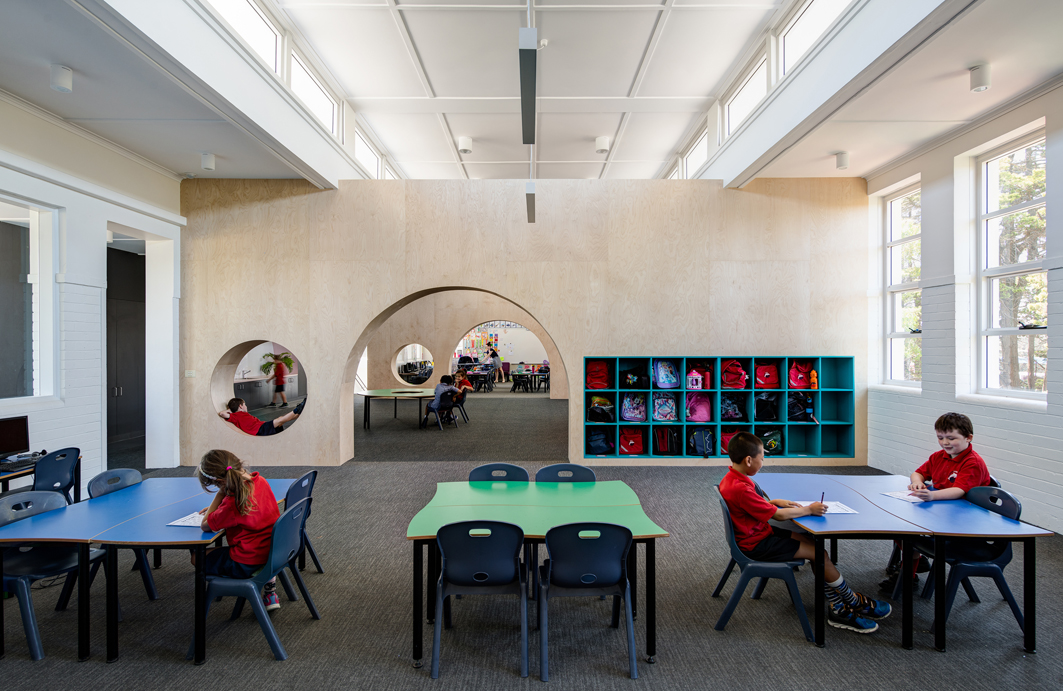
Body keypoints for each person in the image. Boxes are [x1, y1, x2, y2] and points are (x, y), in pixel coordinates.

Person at [720, 432, 890, 634]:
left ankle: (838, 604)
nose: (763, 462)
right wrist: (809, 509)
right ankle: (850, 601)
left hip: (756, 534)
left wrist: (774, 501)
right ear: (749, 460)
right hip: (757, 544)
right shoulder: (741, 488)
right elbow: (779, 517)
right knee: (819, 553)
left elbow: (754, 506)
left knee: (813, 543)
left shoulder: (732, 479)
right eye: (762, 458)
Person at [881, 412, 991, 591]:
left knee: (908, 534)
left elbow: (959, 491)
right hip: (940, 512)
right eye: (940, 437)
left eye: (951, 438)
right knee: (898, 525)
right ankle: (917, 559)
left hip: (962, 522)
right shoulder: (938, 456)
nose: (945, 442)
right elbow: (918, 473)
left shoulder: (973, 462)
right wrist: (917, 482)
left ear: (968, 438)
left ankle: (908, 574)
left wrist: (931, 496)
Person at [193, 450, 282, 611]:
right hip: (272, 552)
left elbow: (205, 524)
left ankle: (230, 585)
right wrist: (222, 504)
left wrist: (220, 497)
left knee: (196, 557)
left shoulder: (232, 504)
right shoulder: (260, 480)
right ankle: (269, 587)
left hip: (246, 561)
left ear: (220, 482)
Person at [220, 397, 305, 436]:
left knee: (280, 420)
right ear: (240, 406)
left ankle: (299, 412)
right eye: (244, 405)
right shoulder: (235, 416)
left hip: (261, 426)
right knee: (280, 420)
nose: (246, 406)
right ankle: (297, 410)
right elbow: (222, 414)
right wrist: (230, 410)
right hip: (259, 429)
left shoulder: (241, 415)